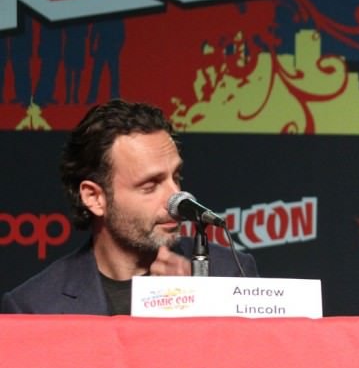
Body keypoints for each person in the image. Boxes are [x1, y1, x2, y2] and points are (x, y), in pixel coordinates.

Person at [1, 100, 257, 315]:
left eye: (176, 177)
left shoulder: (229, 273)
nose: (176, 198)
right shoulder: (34, 307)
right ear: (94, 198)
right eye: (150, 185)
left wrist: (199, 307)